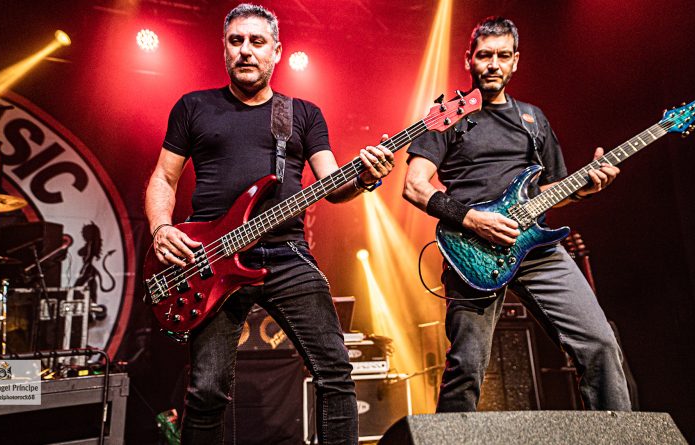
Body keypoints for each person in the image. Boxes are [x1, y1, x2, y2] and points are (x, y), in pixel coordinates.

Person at [144, 4, 394, 444]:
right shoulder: (193, 107)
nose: (246, 50)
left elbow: (333, 184)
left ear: (276, 51)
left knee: (335, 373)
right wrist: (162, 229)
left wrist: (363, 178)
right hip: (209, 259)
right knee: (206, 390)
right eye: (236, 41)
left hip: (286, 253)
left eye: (257, 42)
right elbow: (164, 178)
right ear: (224, 48)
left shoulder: (302, 114)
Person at [402, 16, 631, 412]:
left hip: (536, 249)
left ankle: (622, 437)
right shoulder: (447, 114)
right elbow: (414, 186)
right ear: (468, 59)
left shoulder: (532, 119)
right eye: (485, 55)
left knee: (601, 345)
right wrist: (473, 220)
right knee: (467, 366)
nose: (494, 64)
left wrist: (585, 188)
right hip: (471, 249)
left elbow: (551, 192)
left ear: (516, 61)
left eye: (503, 56)